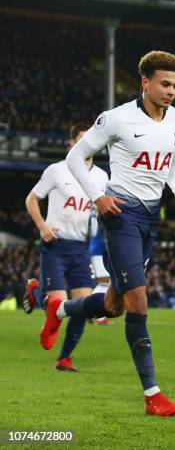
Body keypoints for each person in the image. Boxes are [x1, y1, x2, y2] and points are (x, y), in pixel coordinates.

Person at [38, 50, 175, 416]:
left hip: (151, 218)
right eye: (165, 84)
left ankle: (58, 310)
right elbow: (76, 157)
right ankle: (153, 394)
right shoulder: (117, 119)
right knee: (138, 299)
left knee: (113, 306)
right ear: (145, 82)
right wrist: (98, 196)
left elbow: (171, 164)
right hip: (121, 215)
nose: (171, 91)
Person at [23, 123, 108, 372]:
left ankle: (64, 358)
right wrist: (42, 226)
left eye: (90, 140)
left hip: (80, 248)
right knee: (57, 304)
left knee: (84, 307)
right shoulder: (57, 171)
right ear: (71, 143)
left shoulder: (102, 177)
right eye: (81, 140)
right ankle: (36, 290)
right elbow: (32, 199)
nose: (86, 144)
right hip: (55, 245)